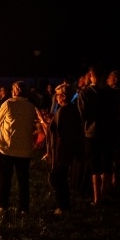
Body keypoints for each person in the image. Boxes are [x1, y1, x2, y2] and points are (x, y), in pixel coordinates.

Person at [0, 81, 42, 215]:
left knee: (5, 179)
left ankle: (3, 206)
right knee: (23, 180)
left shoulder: (8, 104)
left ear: (15, 91)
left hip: (8, 147)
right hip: (24, 149)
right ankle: (24, 208)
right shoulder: (31, 107)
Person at [77, 65, 120, 205]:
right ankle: (104, 193)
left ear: (91, 75)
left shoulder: (86, 93)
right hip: (108, 131)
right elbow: (115, 113)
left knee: (94, 164)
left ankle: (97, 198)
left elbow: (82, 114)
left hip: (91, 132)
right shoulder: (112, 93)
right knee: (106, 162)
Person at [42, 83, 84, 215]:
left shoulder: (64, 111)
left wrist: (55, 154)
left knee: (56, 178)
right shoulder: (71, 109)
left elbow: (59, 133)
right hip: (66, 149)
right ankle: (65, 206)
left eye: (58, 95)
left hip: (62, 150)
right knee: (61, 178)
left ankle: (63, 206)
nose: (56, 98)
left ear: (64, 96)